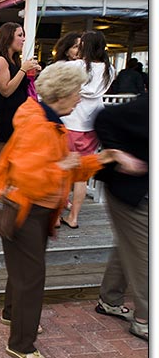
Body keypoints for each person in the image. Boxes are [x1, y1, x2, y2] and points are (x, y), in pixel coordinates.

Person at [0, 61, 142, 358]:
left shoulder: (47, 120)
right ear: (63, 93)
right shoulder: (40, 126)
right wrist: (67, 166)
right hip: (27, 209)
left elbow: (62, 167)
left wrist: (105, 157)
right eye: (77, 93)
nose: (79, 100)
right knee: (32, 277)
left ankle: (10, 313)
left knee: (23, 270)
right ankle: (21, 344)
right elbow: (32, 175)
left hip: (35, 209)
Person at [94, 93, 149, 341]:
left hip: (142, 190)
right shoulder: (148, 104)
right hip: (130, 189)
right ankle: (145, 320)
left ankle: (110, 299)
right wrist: (118, 154)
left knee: (132, 245)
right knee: (147, 254)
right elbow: (104, 117)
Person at [60, 31, 115, 229]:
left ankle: (56, 216)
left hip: (70, 121)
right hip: (92, 125)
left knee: (64, 170)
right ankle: (73, 217)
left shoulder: (75, 66)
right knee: (82, 176)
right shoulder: (110, 69)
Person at [0, 22, 40, 163]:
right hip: (4, 117)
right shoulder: (1, 60)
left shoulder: (14, 61)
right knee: (0, 161)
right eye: (20, 35)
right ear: (8, 37)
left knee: (12, 161)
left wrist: (32, 74)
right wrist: (23, 70)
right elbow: (6, 90)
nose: (23, 39)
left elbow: (20, 87)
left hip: (17, 116)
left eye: (24, 36)